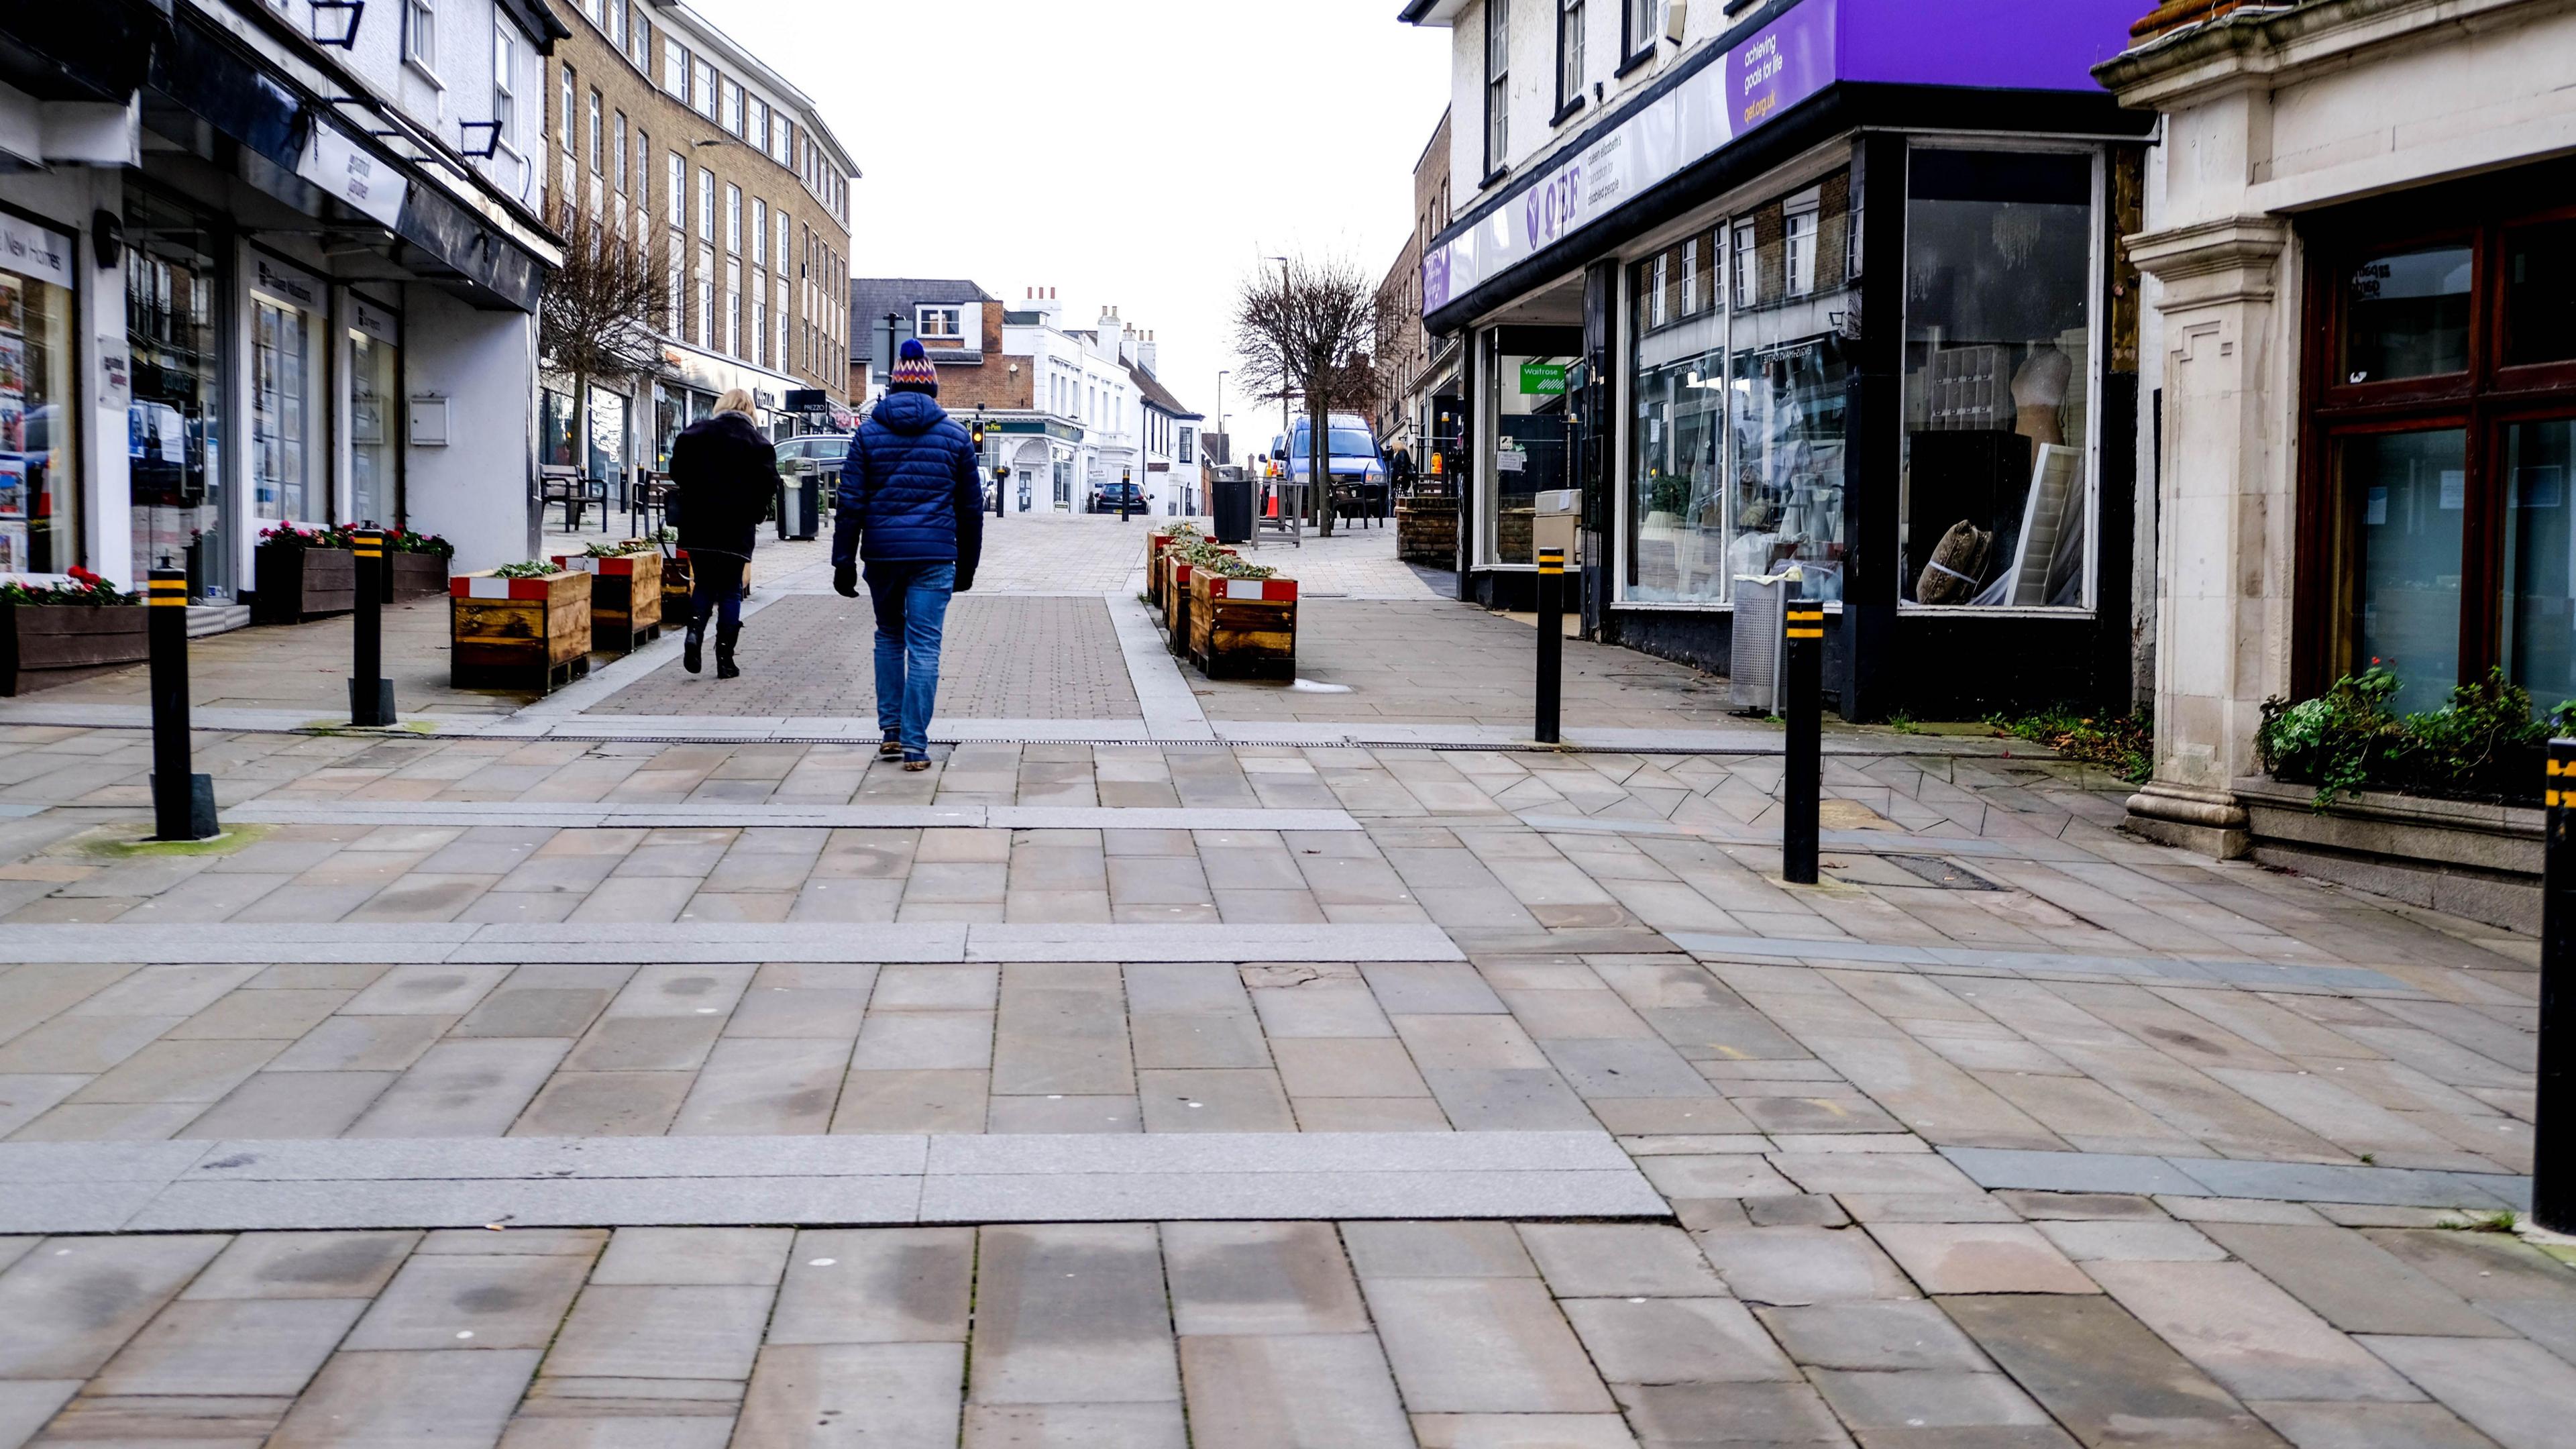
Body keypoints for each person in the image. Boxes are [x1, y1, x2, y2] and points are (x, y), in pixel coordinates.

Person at [833, 339, 983, 770]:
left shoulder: (867, 434)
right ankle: (917, 747)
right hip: (935, 556)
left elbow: (851, 503)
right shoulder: (955, 436)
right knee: (924, 647)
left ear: (893, 387)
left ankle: (892, 734)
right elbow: (970, 510)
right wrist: (968, 564)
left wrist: (843, 561)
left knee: (888, 636)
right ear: (933, 389)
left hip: (882, 556)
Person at [667, 387, 775, 680]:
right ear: (750, 411)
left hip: (698, 525)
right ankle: (725, 660)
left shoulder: (695, 434)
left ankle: (693, 633)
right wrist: (757, 508)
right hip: (735, 529)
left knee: (703, 584)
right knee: (730, 590)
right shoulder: (757, 443)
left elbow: (677, 470)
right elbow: (769, 484)